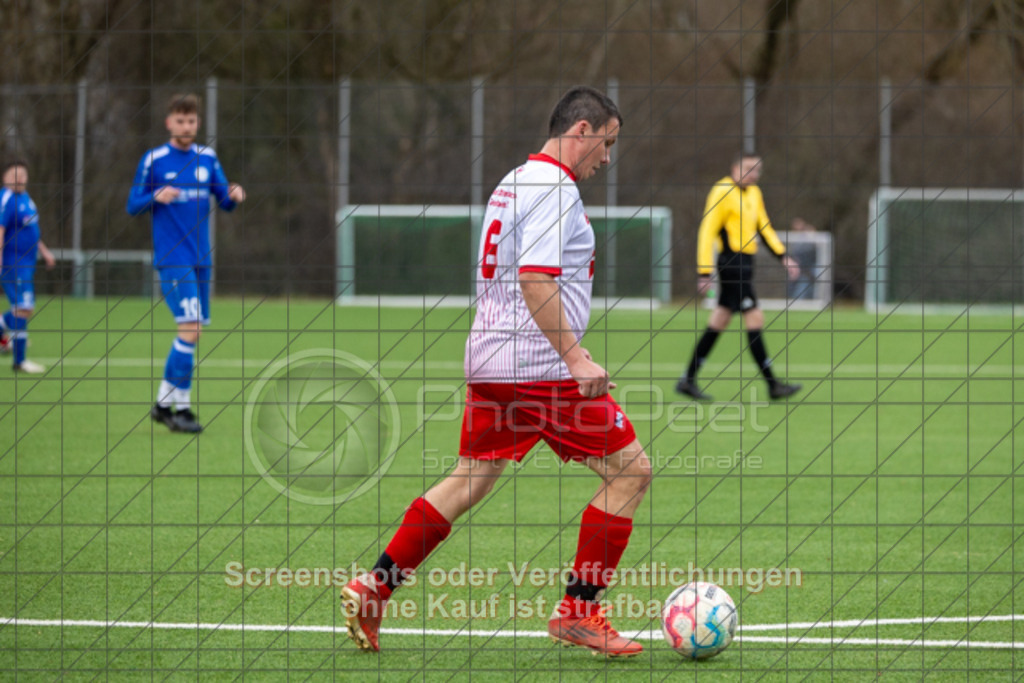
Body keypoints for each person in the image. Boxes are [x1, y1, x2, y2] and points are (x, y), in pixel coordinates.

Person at [341, 86, 652, 658]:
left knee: (469, 480)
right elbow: (536, 278)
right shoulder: (554, 189)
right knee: (631, 472)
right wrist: (575, 357)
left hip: (489, 359)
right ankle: (580, 611)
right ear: (580, 131)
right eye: (605, 144)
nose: (607, 158)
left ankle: (374, 587)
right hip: (537, 367)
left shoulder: (513, 181)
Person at [127, 93, 245, 433]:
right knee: (189, 329)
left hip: (200, 259)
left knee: (194, 333)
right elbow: (132, 204)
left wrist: (234, 196)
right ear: (169, 123)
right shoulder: (155, 159)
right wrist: (155, 196)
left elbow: (224, 200)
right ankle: (173, 408)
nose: (186, 126)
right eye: (180, 121)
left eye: (191, 121)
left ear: (197, 123)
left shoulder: (207, 158)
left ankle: (173, 406)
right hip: (173, 258)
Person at [676, 153, 802, 402]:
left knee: (719, 320)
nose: (753, 174)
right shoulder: (721, 190)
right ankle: (773, 384)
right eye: (748, 168)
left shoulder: (755, 193)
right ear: (735, 168)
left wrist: (783, 256)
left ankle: (687, 379)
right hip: (731, 264)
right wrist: (704, 271)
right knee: (754, 317)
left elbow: (764, 228)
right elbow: (707, 231)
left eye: (757, 170)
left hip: (747, 264)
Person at [0, 160, 57, 373]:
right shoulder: (6, 199)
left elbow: (32, 230)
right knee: (23, 308)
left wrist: (44, 251)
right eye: (14, 174)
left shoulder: (25, 199)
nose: (19, 178)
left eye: (22, 174)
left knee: (23, 309)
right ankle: (19, 361)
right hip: (12, 262)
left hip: (27, 262)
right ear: (5, 178)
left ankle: (8, 337)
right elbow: (1, 229)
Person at [786, 217, 818, 301]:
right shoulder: (793, 240)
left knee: (804, 288)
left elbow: (814, 246)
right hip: (798, 269)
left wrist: (811, 233)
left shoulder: (809, 237)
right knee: (791, 287)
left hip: (808, 270)